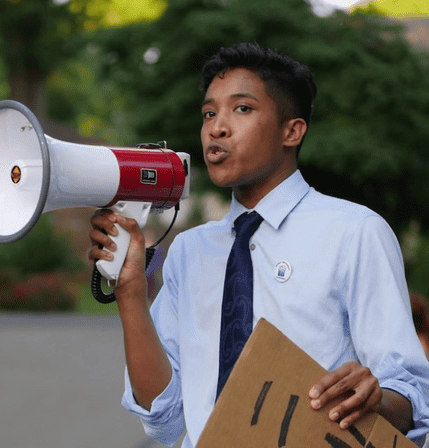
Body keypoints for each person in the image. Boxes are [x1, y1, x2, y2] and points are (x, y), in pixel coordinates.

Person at [88, 42, 429, 447]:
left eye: (242, 109)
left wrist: (375, 398)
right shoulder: (188, 252)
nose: (217, 127)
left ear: (292, 131)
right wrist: (129, 293)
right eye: (209, 113)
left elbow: (413, 399)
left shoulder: (354, 233)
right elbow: (163, 419)